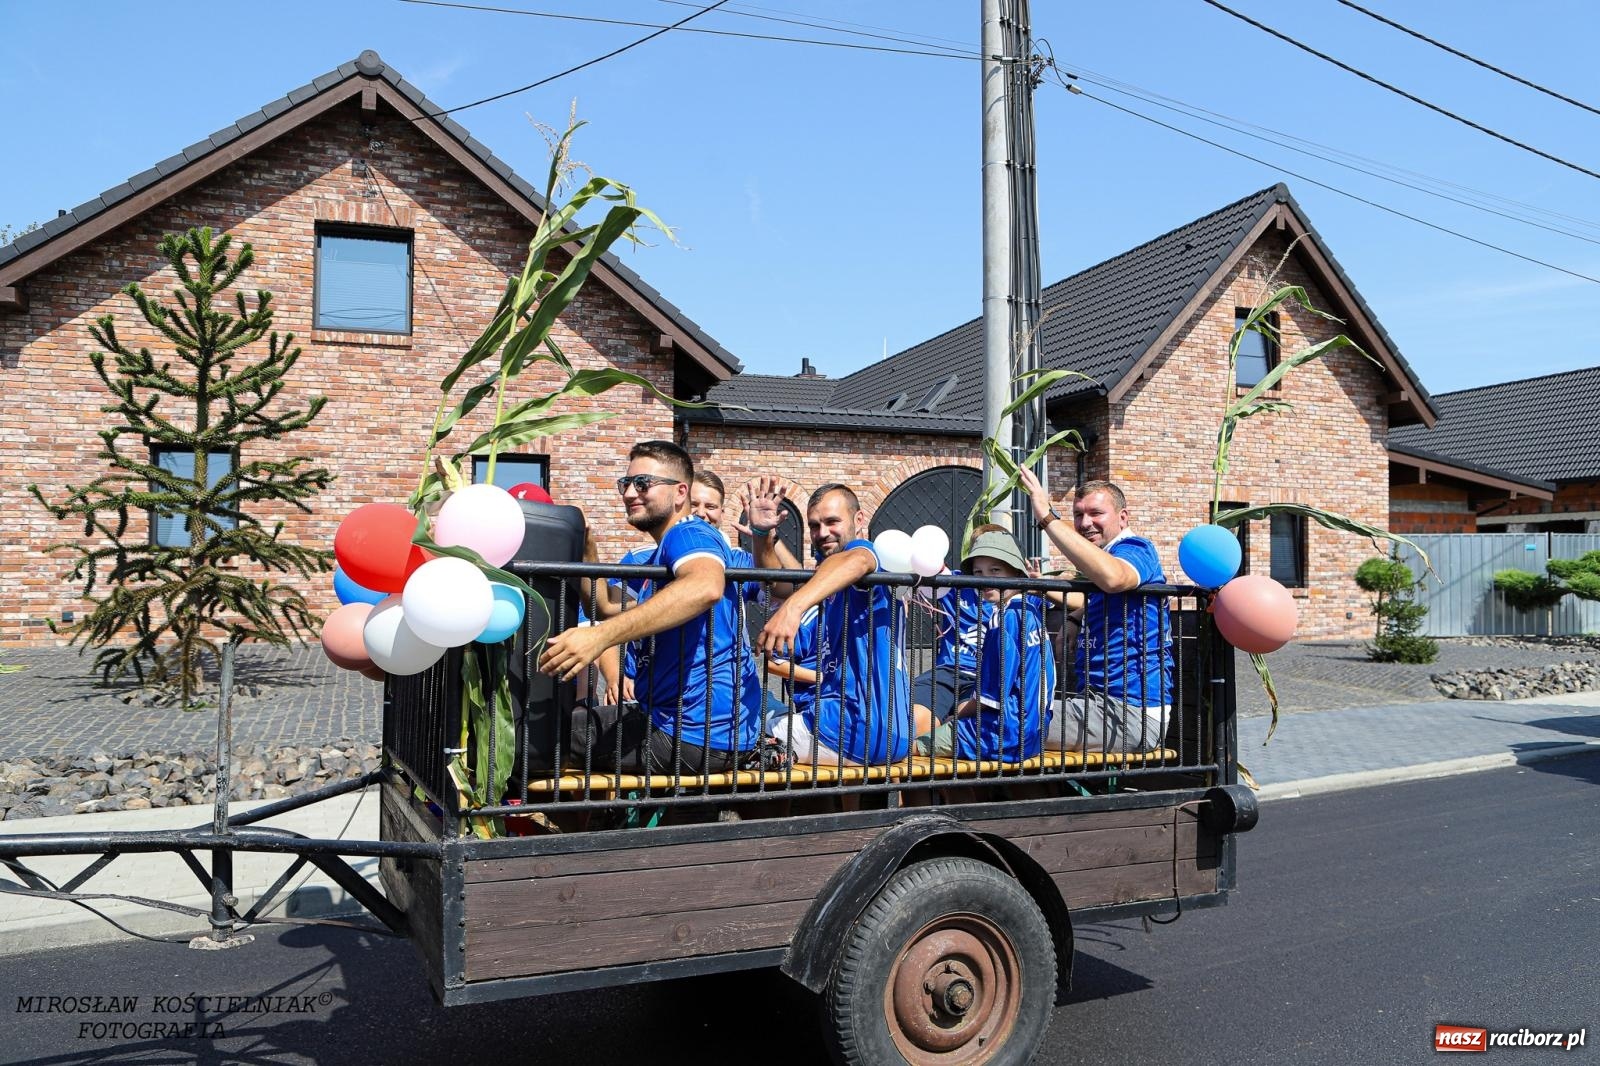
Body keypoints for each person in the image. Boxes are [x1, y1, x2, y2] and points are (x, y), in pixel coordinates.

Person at [539, 440, 763, 774]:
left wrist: (599, 637)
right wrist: (588, 550)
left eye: (643, 483)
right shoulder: (661, 556)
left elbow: (705, 586)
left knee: (538, 735)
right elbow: (605, 606)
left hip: (688, 734)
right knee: (557, 729)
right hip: (685, 728)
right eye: (626, 483)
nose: (630, 493)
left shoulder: (689, 534)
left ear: (680, 492)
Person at [753, 481, 913, 765]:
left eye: (832, 521)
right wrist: (762, 534)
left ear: (859, 520)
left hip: (849, 729)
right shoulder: (832, 582)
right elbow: (776, 585)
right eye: (814, 526)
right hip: (892, 734)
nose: (822, 532)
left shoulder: (864, 556)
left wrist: (792, 608)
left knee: (735, 725)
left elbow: (859, 559)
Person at [1018, 467, 1173, 753]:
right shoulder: (1107, 558)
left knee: (1005, 720)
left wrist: (1047, 517)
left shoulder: (1137, 549)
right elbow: (1094, 598)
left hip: (1128, 714)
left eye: (1096, 513)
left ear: (1123, 517)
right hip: (1098, 707)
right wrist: (1075, 618)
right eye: (1078, 515)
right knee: (1000, 713)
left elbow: (1114, 578)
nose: (1085, 522)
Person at [916, 529, 1055, 762]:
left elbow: (988, 698)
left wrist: (955, 716)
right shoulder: (1029, 612)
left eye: (995, 570)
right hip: (1033, 733)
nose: (986, 579)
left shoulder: (1003, 620)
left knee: (909, 747)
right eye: (978, 572)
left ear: (1016, 572)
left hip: (999, 733)